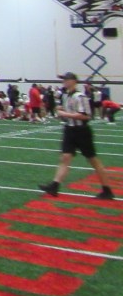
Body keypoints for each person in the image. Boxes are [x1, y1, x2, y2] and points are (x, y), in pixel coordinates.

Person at [39, 72, 115, 200]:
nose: (64, 82)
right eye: (64, 80)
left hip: (82, 131)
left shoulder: (80, 96)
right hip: (69, 129)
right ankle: (54, 186)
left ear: (74, 81)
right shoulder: (65, 96)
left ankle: (107, 189)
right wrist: (60, 112)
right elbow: (64, 112)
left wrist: (65, 114)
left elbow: (86, 116)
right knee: (65, 157)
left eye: (66, 79)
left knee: (93, 160)